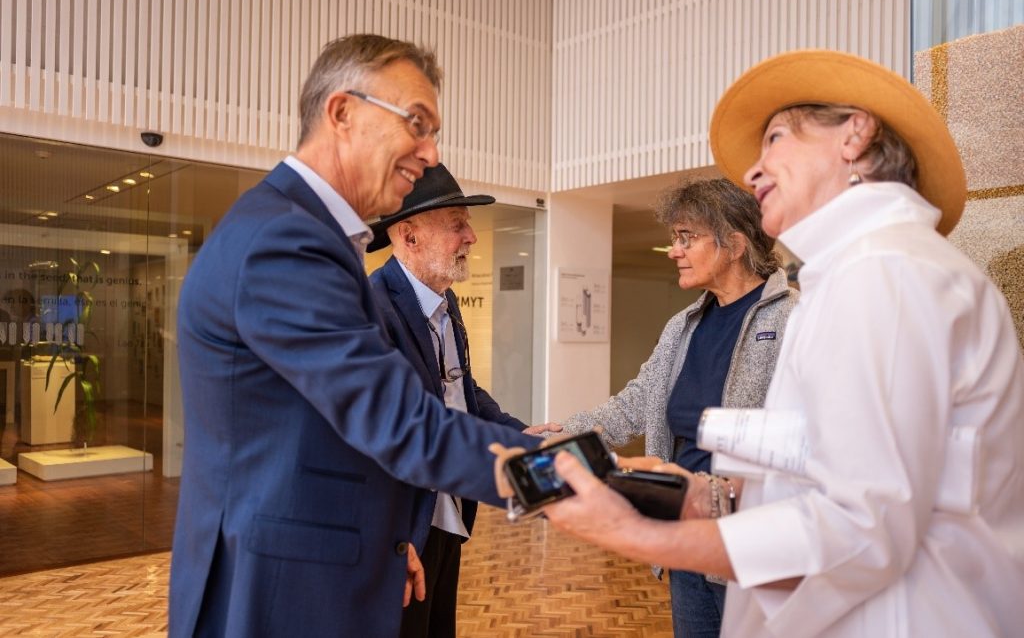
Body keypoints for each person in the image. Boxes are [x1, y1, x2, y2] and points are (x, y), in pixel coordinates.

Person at [536, 49, 1024, 637]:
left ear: (855, 135)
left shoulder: (884, 273)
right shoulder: (857, 275)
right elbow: (830, 458)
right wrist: (699, 493)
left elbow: (859, 527)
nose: (752, 171)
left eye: (774, 138)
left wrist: (630, 532)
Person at [169, 34, 540, 638]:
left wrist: (393, 541)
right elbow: (399, 422)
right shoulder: (284, 241)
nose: (430, 149)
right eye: (416, 123)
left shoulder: (306, 235)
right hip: (275, 590)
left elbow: (326, 429)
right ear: (341, 113)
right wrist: (561, 477)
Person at [558, 177, 797, 637]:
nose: (673, 250)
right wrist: (567, 432)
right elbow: (639, 399)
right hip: (685, 531)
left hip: (754, 542)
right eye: (674, 238)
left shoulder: (792, 318)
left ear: (734, 243)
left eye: (686, 238)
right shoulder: (683, 325)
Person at [367, 162, 559, 638]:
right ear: (409, 238)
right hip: (400, 525)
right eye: (457, 225)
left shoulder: (444, 300)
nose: (471, 236)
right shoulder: (373, 308)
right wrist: (387, 538)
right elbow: (378, 431)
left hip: (446, 509)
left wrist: (517, 433)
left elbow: (461, 389)